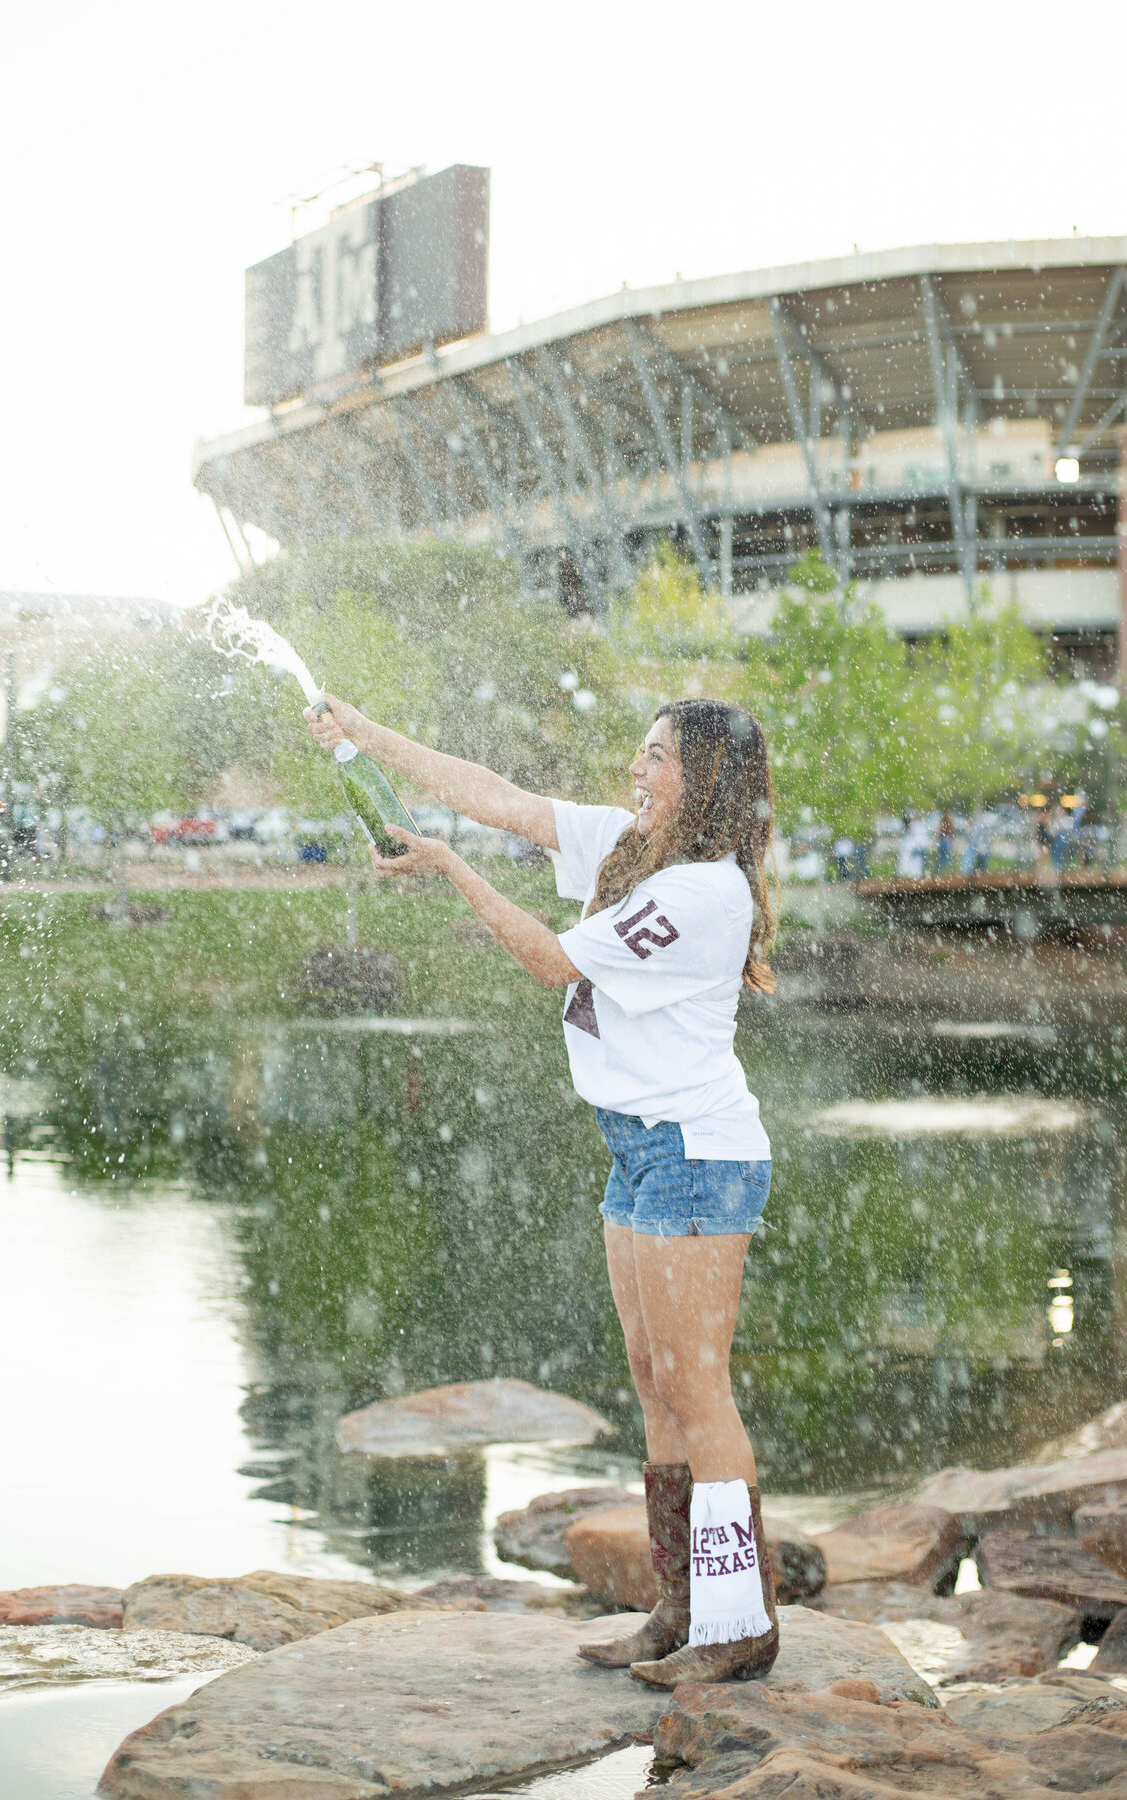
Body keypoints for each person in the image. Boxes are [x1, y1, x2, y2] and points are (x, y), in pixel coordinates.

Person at [307, 695, 779, 1689]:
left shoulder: (704, 890)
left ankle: (740, 1623)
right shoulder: (633, 847)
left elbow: (553, 961)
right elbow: (500, 798)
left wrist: (450, 870)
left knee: (700, 1389)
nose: (638, 772)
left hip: (698, 1152)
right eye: (640, 753)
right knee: (655, 1381)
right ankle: (679, 1610)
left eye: (658, 759)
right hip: (639, 1150)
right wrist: (364, 734)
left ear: (708, 780)